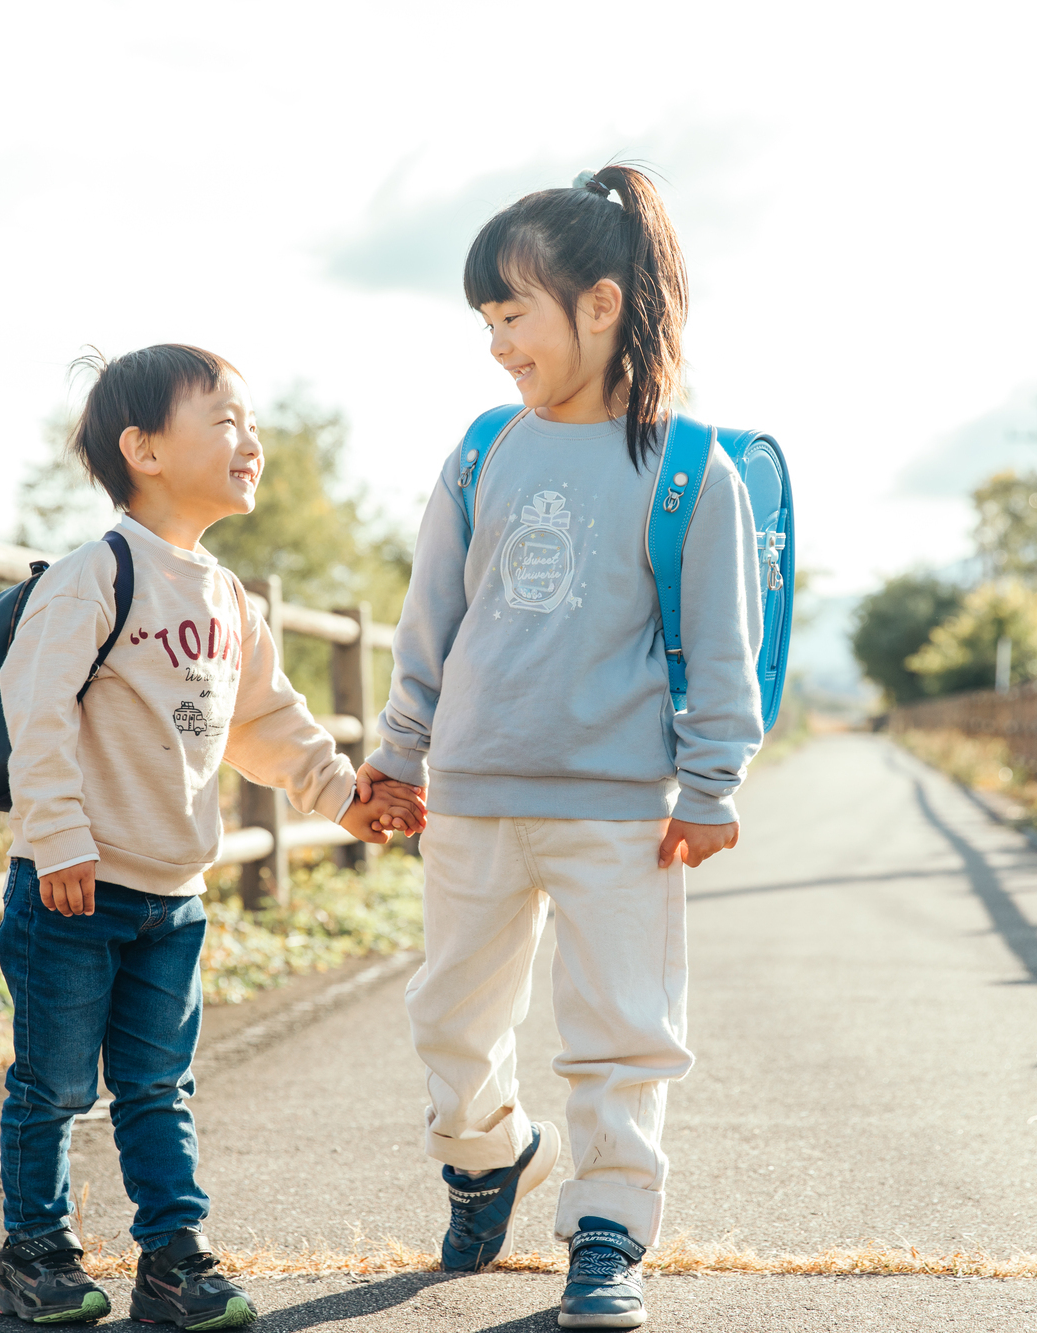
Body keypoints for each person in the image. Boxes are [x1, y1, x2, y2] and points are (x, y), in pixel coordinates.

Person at [358, 166, 765, 1329]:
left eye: (511, 315)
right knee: (448, 1015)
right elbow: (429, 616)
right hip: (474, 795)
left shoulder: (690, 467)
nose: (495, 344)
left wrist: (710, 781)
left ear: (598, 305)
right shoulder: (484, 448)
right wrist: (399, 748)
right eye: (483, 321)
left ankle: (606, 1229)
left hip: (619, 806)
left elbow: (721, 644)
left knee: (620, 1029)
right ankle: (486, 1154)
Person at [0, 343, 425, 1329]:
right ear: (142, 449)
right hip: (74, 884)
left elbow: (266, 723)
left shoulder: (228, 598)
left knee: (155, 1084)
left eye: (252, 423)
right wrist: (56, 837)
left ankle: (172, 1258)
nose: (250, 439)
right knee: (54, 1083)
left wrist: (344, 797)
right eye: (225, 419)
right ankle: (35, 1250)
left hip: (171, 894)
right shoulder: (94, 573)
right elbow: (38, 706)